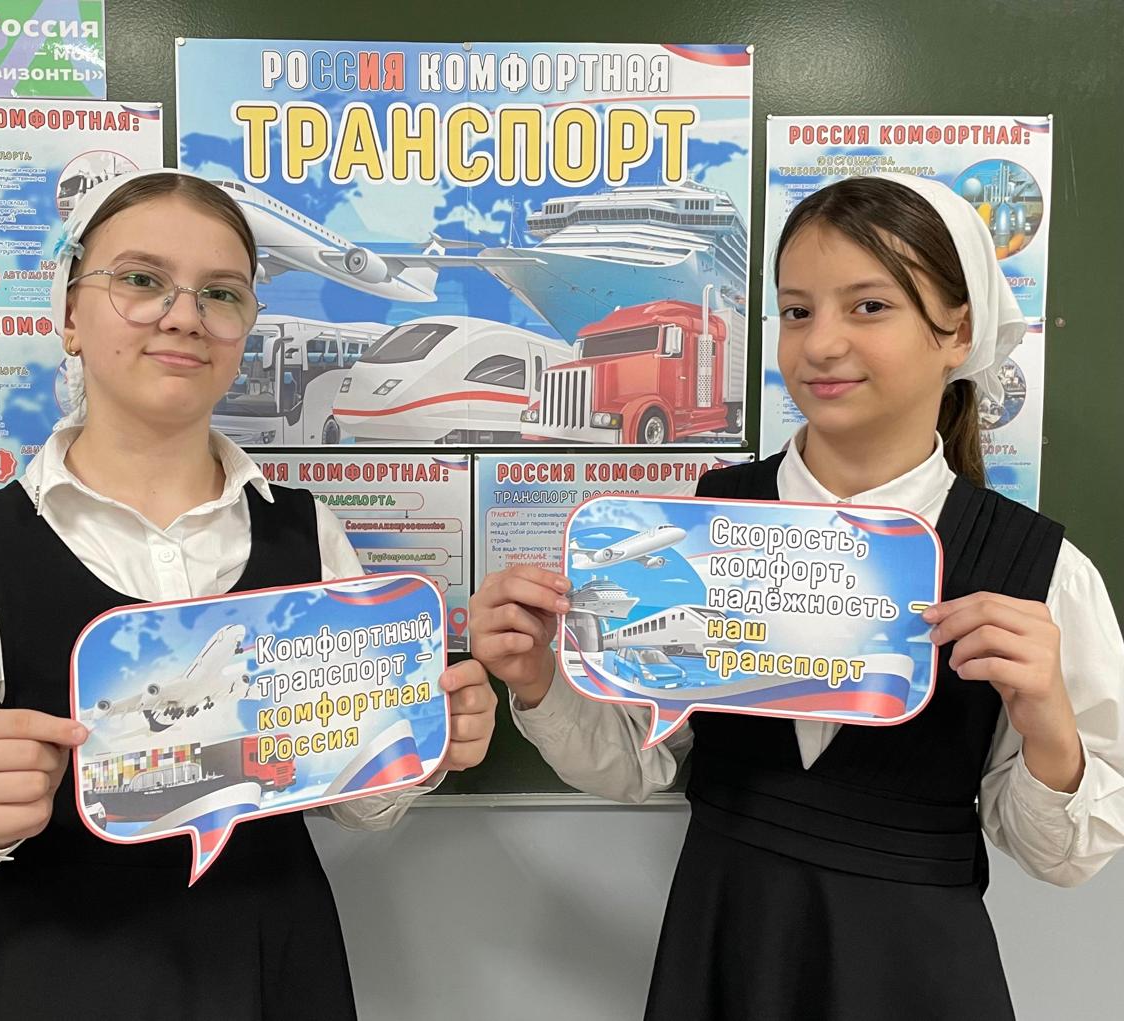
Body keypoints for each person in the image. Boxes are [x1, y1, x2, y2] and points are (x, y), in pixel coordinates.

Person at [470, 174, 1124, 1019]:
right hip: (725, 947)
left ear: (958, 331)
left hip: (914, 974)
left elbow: (1062, 856)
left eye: (870, 306)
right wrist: (538, 680)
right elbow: (638, 759)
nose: (821, 344)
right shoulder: (704, 524)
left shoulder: (1038, 571)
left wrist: (1049, 729)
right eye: (797, 310)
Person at [0, 170, 497, 1020]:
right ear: (69, 315)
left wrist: (418, 744)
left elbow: (360, 803)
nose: (184, 315)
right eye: (141, 279)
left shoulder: (307, 535)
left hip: (269, 966)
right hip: (48, 977)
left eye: (221, 293)